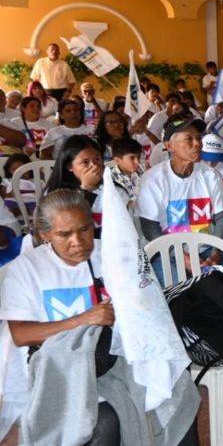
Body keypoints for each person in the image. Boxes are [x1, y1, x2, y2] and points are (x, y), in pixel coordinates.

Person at [0, 190, 201, 445]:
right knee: (104, 420)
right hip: (60, 369)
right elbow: (21, 335)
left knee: (180, 391)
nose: (79, 241)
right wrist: (83, 319)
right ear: (45, 235)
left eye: (84, 229)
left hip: (112, 359)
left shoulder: (108, 258)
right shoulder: (26, 270)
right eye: (65, 234)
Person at [137, 116, 223, 282]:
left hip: (205, 248)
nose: (197, 143)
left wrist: (217, 252)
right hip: (165, 250)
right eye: (189, 139)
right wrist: (182, 257)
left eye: (198, 138)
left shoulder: (210, 175)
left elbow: (222, 217)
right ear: (169, 145)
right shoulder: (153, 179)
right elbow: (150, 227)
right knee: (179, 295)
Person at [44, 135, 105, 229]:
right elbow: (69, 223)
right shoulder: (56, 192)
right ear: (69, 166)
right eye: (85, 162)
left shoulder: (110, 187)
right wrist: (86, 187)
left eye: (97, 159)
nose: (94, 166)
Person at [109, 136, 143, 207]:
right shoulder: (110, 179)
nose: (137, 162)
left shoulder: (143, 169)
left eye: (138, 157)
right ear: (117, 160)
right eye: (132, 158)